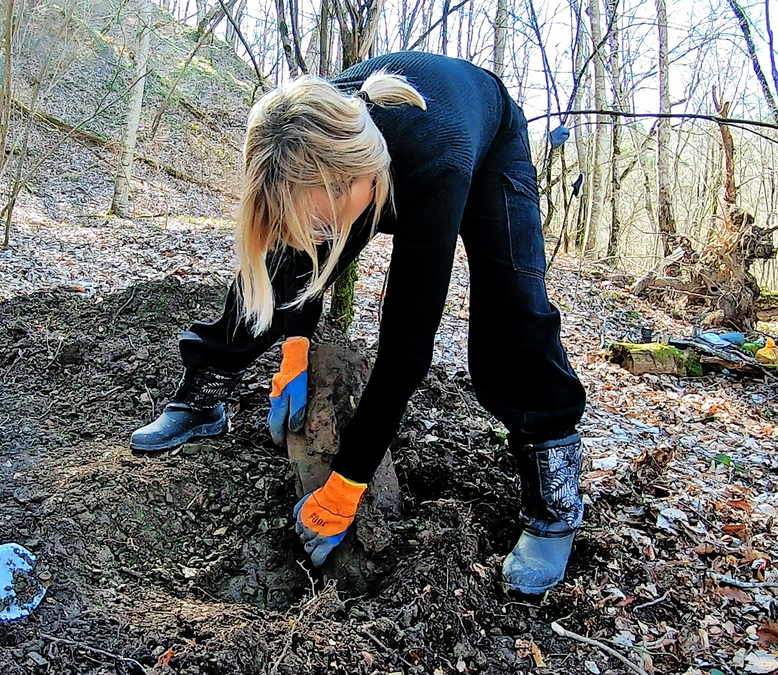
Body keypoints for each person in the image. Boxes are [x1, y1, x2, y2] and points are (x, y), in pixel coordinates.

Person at [130, 51, 587, 595]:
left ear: (360, 181)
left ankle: (554, 500)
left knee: (512, 311)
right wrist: (294, 349)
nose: (326, 236)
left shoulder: (434, 162)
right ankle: (201, 396)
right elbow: (303, 258)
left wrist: (345, 485)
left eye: (328, 221)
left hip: (483, 146)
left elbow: (407, 348)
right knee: (280, 269)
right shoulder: (304, 127)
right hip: (365, 166)